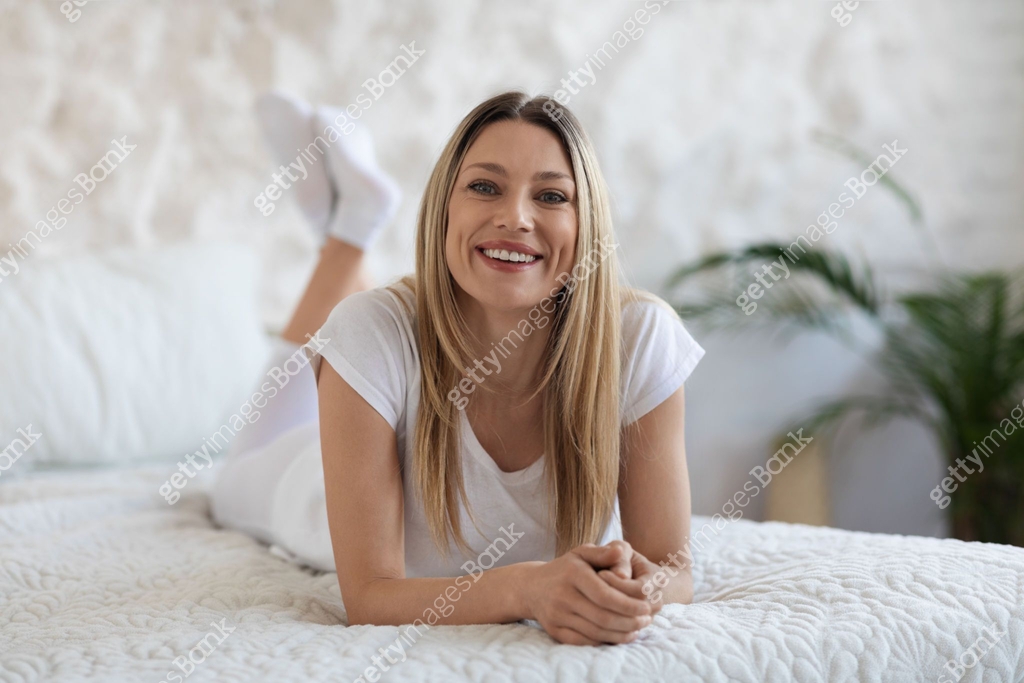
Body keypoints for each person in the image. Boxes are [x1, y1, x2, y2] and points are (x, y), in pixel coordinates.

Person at [212, 90, 704, 646]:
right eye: (485, 187)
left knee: (370, 332)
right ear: (444, 209)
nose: (516, 218)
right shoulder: (368, 329)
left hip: (377, 370)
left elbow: (672, 570)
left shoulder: (640, 339)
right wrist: (527, 590)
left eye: (551, 196)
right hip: (307, 483)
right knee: (230, 479)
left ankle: (347, 222)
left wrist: (631, 592)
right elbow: (370, 597)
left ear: (586, 224)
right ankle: (349, 232)